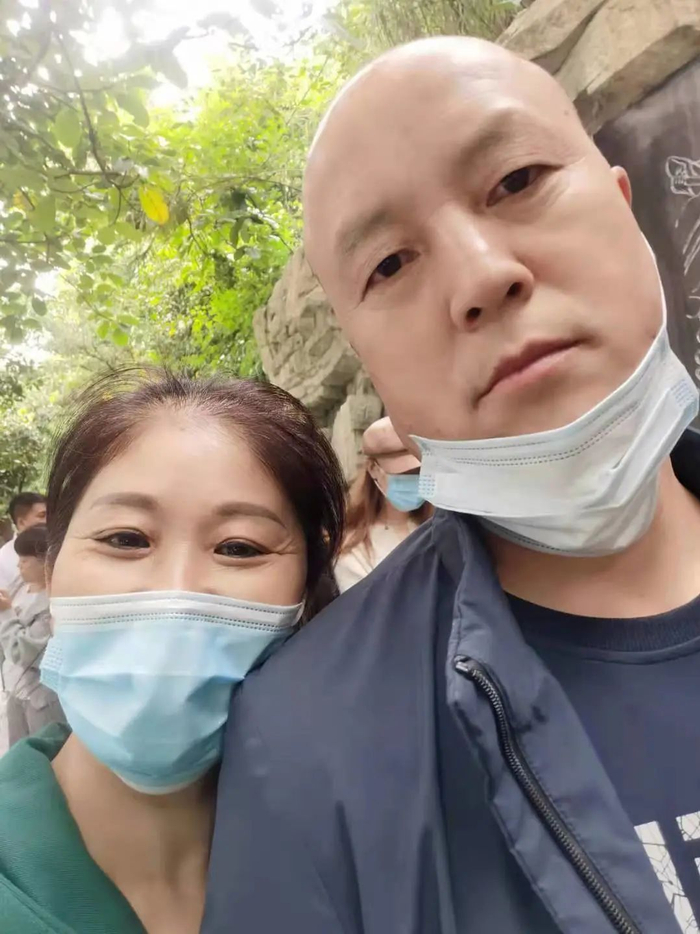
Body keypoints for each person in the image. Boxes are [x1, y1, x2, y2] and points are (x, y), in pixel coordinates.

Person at [204, 37, 700, 934]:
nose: (480, 277)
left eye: (517, 180)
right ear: (371, 365)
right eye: (390, 265)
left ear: (626, 208)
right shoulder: (307, 748)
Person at [0, 370, 344, 934]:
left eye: (239, 548)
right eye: (126, 539)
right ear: (53, 571)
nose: (176, 594)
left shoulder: (366, 855)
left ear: (306, 592)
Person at [335, 416, 431, 591]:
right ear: (373, 469)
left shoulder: (443, 527)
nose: (414, 479)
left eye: (419, 471)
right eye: (404, 473)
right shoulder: (354, 548)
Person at [0, 524, 64, 745]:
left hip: (42, 698)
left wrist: (6, 613)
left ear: (45, 560)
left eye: (25, 560)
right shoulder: (22, 586)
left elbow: (22, 652)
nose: (19, 565)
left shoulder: (52, 606)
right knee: (18, 752)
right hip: (17, 691)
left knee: (44, 751)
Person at [0, 492, 47, 596]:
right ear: (21, 523)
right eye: (42, 515)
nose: (48, 520)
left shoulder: (59, 546)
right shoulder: (3, 559)